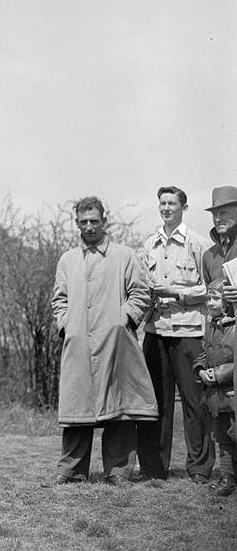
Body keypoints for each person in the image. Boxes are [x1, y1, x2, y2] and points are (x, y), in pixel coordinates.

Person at [52, 196, 157, 487]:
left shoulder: (124, 255)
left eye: (94, 221)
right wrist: (67, 327)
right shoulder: (68, 260)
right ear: (77, 223)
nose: (89, 227)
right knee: (77, 408)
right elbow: (59, 300)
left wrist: (122, 321)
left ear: (104, 221)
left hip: (116, 343)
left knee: (119, 408)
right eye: (83, 222)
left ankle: (119, 470)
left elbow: (140, 294)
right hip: (79, 344)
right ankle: (70, 469)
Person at [136, 186, 213, 482]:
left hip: (189, 331)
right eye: (162, 203)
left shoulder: (197, 243)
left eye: (172, 203)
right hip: (156, 330)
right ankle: (154, 468)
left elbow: (210, 290)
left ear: (184, 207)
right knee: (156, 402)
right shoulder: (149, 244)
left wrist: (177, 293)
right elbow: (142, 287)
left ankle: (200, 468)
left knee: (195, 402)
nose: (166, 208)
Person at [192, 280, 236, 497]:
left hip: (231, 392)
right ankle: (227, 478)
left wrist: (218, 374)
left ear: (227, 300)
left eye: (216, 298)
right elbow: (203, 353)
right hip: (215, 394)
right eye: (208, 298)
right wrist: (201, 370)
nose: (210, 303)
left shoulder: (234, 326)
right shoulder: (210, 324)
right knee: (222, 436)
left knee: (234, 433)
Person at [202, 186, 237, 308]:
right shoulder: (209, 256)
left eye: (223, 213)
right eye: (214, 214)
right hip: (219, 326)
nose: (217, 219)